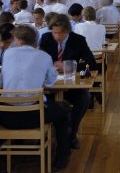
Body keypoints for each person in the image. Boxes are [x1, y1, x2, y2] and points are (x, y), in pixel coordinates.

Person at [0, 25, 71, 171]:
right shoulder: (44, 57)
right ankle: (62, 157)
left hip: (6, 116)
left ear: (18, 40)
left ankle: (5, 158)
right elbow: (50, 82)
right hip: (33, 116)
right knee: (63, 112)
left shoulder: (7, 54)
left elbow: (3, 80)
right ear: (34, 41)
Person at [39, 15, 95, 148]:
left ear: (68, 31)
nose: (57, 36)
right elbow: (39, 60)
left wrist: (70, 65)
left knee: (84, 98)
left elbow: (91, 63)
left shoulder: (78, 40)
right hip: (48, 85)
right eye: (55, 32)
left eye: (61, 33)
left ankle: (71, 132)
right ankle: (50, 134)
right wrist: (51, 65)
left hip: (70, 84)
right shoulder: (46, 38)